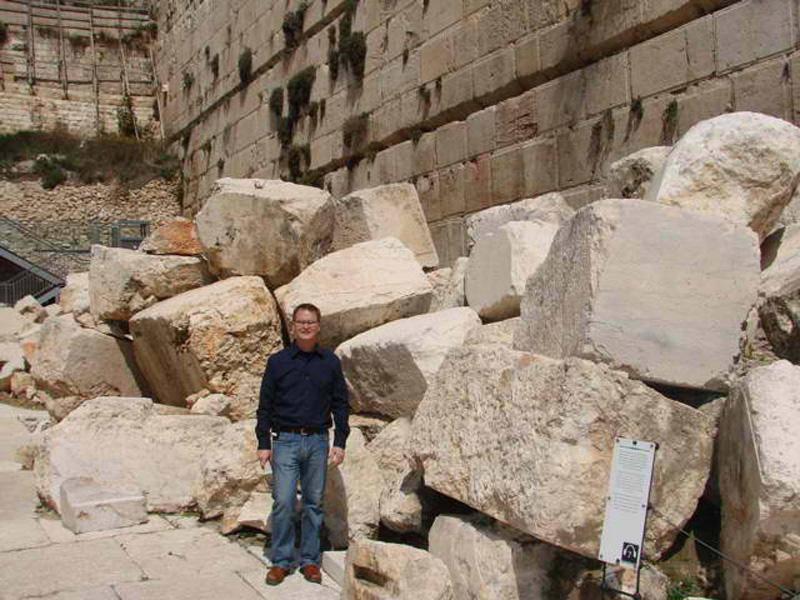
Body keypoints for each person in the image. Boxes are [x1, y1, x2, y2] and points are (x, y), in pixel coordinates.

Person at [255, 303, 350, 586]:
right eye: (300, 322)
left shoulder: (331, 362)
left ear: (318, 326)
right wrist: (263, 442)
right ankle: (281, 561)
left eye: (311, 322)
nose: (306, 326)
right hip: (284, 440)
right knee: (283, 501)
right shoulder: (278, 362)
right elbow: (264, 407)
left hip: (319, 440)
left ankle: (310, 560)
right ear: (293, 326)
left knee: (313, 503)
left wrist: (341, 440)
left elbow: (341, 405)